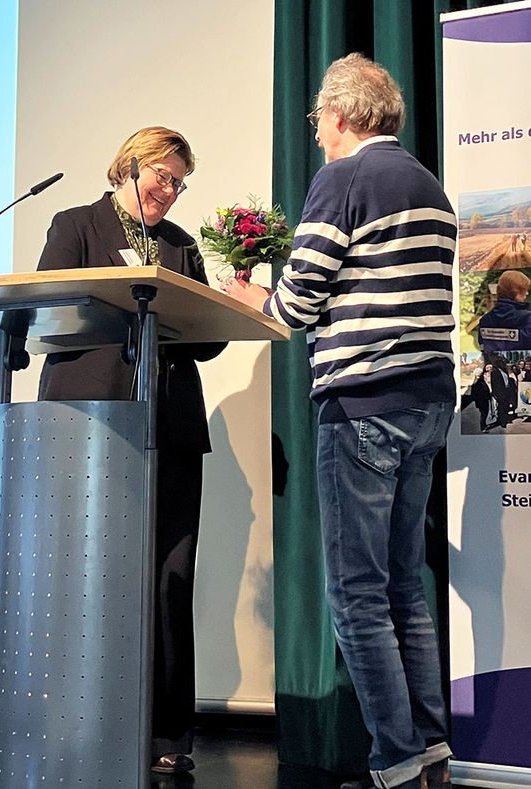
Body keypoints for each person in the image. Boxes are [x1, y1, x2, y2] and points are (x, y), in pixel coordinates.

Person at [222, 54, 456, 789]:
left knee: (357, 594)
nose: (317, 132)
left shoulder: (344, 178)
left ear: (345, 114)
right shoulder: (430, 185)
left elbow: (296, 305)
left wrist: (252, 298)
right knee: (401, 587)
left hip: (365, 406)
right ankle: (429, 749)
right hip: (427, 402)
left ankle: (396, 758)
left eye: (320, 118)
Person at [37, 126, 226, 775]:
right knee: (89, 573)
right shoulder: (76, 225)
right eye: (162, 175)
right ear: (129, 165)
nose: (168, 191)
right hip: (93, 420)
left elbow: (207, 342)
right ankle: (78, 722)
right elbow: (52, 310)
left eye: (179, 183)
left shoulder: (181, 245)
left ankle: (166, 733)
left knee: (169, 578)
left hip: (169, 426)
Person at [478, 269, 531, 351]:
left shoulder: (485, 320)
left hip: (494, 359)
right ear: (515, 292)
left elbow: (482, 347)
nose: (527, 293)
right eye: (524, 290)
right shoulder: (527, 319)